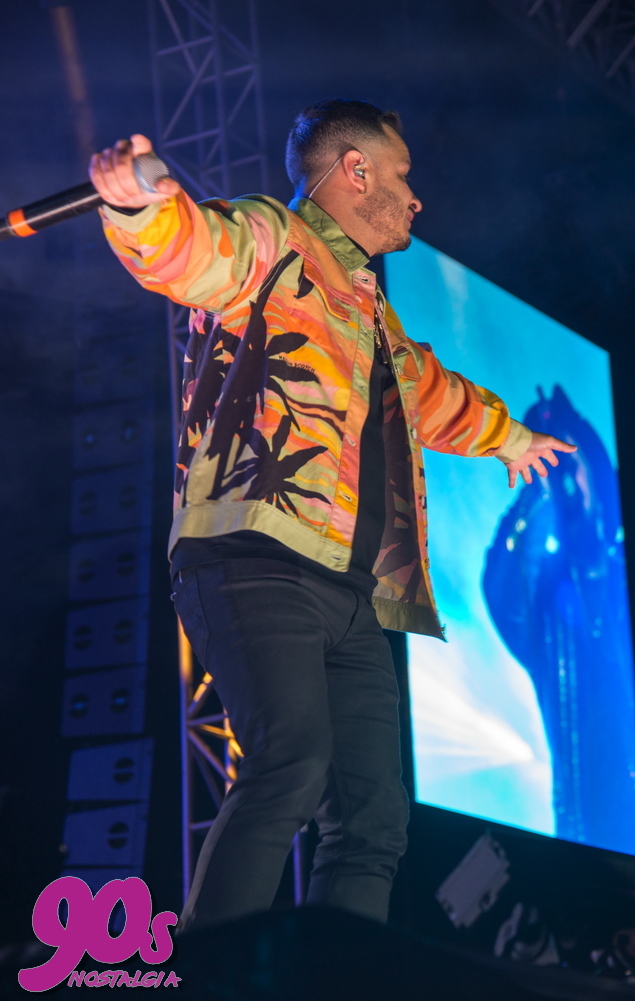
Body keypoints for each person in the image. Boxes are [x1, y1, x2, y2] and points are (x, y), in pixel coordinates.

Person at [89, 99, 577, 930]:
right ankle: (214, 977)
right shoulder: (276, 238)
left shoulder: (372, 312)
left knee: (374, 820)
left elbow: (430, 392)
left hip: (351, 592)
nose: (415, 197)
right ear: (356, 170)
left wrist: (513, 437)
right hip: (254, 555)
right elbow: (197, 252)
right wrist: (140, 207)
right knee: (290, 764)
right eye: (402, 175)